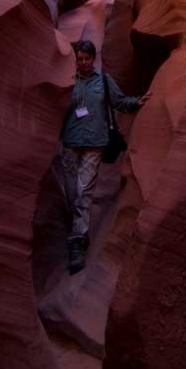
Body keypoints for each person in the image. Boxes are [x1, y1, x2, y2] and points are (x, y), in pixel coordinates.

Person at [60, 39, 151, 275]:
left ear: (94, 58)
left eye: (87, 59)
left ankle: (77, 241)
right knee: (71, 192)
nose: (83, 63)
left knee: (83, 192)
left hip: (95, 144)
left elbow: (119, 102)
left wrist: (136, 102)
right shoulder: (69, 82)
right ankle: (80, 229)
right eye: (80, 59)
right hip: (70, 143)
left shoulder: (104, 82)